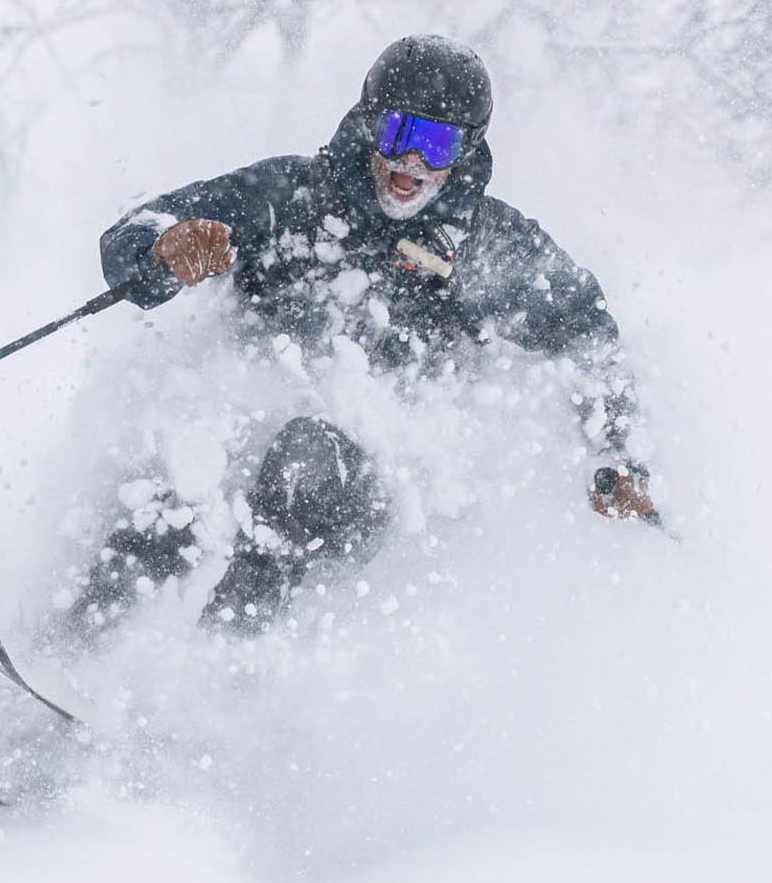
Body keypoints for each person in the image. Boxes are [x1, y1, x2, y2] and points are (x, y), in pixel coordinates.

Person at [65, 34, 654, 641]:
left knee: (309, 457)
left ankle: (223, 676)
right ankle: (74, 649)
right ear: (371, 123)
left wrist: (618, 449)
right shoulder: (291, 198)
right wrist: (163, 250)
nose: (413, 165)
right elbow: (138, 232)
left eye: (437, 143)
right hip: (246, 435)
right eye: (400, 134)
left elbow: (586, 328)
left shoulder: (485, 249)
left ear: (467, 149)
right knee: (191, 467)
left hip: (377, 487)